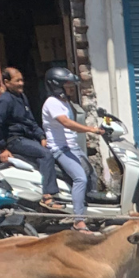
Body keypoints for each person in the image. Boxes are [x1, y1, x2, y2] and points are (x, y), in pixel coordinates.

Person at [0, 67, 61, 211]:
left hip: (27, 138)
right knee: (46, 155)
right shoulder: (5, 101)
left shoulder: (21, 97)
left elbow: (31, 121)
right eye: (17, 81)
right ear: (6, 82)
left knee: (50, 153)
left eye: (22, 80)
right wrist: (1, 147)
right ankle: (48, 196)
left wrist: (41, 136)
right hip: (15, 140)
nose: (21, 83)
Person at [41, 66, 104, 231]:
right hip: (60, 149)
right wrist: (91, 129)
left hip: (72, 147)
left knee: (92, 175)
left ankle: (93, 211)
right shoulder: (52, 103)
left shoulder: (65, 102)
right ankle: (78, 219)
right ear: (57, 85)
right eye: (67, 85)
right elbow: (66, 123)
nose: (70, 88)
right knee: (80, 178)